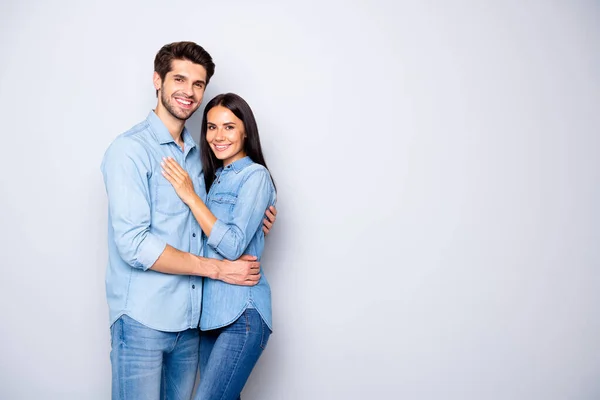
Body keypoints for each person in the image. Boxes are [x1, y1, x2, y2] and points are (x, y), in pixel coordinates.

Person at [101, 42, 277, 400]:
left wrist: (257, 219)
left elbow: (213, 223)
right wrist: (216, 269)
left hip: (191, 324)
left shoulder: (201, 158)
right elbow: (134, 244)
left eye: (198, 84)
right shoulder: (130, 150)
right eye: (179, 79)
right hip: (143, 319)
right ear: (157, 80)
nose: (189, 91)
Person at [161, 93, 276, 400]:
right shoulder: (214, 181)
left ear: (245, 131)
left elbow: (234, 244)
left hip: (242, 313)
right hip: (208, 318)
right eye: (212, 127)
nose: (218, 136)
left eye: (228, 127)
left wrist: (190, 196)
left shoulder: (255, 176)